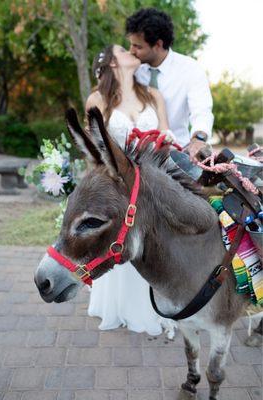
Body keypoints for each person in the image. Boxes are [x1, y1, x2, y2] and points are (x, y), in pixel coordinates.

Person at [85, 44, 177, 337]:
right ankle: (125, 305)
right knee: (123, 237)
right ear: (113, 64)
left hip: (153, 180)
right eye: (124, 50)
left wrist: (163, 139)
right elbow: (94, 150)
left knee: (155, 241)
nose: (132, 51)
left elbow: (165, 133)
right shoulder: (97, 99)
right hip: (117, 183)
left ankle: (160, 302)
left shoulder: (153, 96)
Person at [126, 7, 214, 160]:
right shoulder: (132, 69)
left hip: (178, 156)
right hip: (137, 159)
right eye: (131, 44)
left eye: (138, 46)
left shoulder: (190, 69)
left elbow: (202, 111)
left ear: (158, 45)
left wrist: (198, 139)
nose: (131, 51)